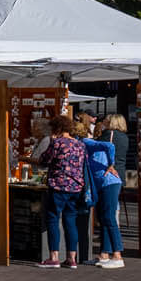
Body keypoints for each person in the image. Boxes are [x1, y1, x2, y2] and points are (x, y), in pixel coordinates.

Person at [36, 115, 87, 268]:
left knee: (52, 219)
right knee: (70, 221)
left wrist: (52, 141)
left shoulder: (57, 143)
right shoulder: (80, 145)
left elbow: (44, 160)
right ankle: (72, 258)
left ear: (57, 128)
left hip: (58, 186)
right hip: (76, 187)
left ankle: (54, 256)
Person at [82, 122, 125, 268]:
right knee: (103, 218)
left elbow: (110, 146)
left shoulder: (86, 142)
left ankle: (118, 255)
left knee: (108, 217)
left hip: (109, 183)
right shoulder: (91, 144)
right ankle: (104, 254)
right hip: (102, 184)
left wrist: (112, 164)